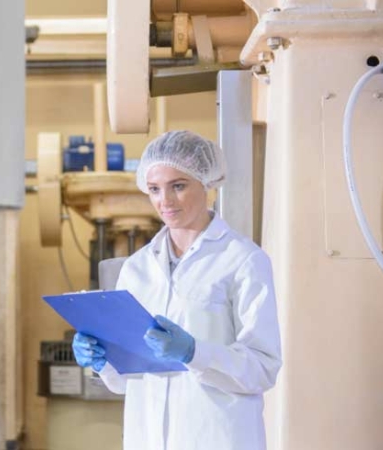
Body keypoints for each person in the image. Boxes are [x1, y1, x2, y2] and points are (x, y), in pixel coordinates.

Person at [72, 130, 282, 450]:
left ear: (206, 183)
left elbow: (263, 368)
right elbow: (129, 383)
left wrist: (194, 353)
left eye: (178, 186)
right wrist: (104, 360)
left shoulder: (243, 260)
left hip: (217, 438)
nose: (165, 201)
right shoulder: (138, 268)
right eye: (154, 189)